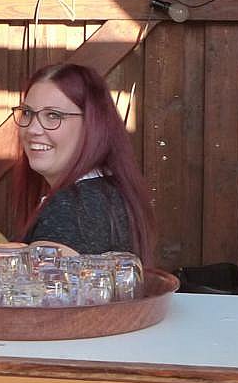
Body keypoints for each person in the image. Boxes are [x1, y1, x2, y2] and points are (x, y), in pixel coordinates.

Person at [13, 63, 155, 265]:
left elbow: (46, 285)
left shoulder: (74, 208)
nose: (33, 129)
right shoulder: (105, 190)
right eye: (27, 113)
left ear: (92, 124)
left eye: (53, 115)